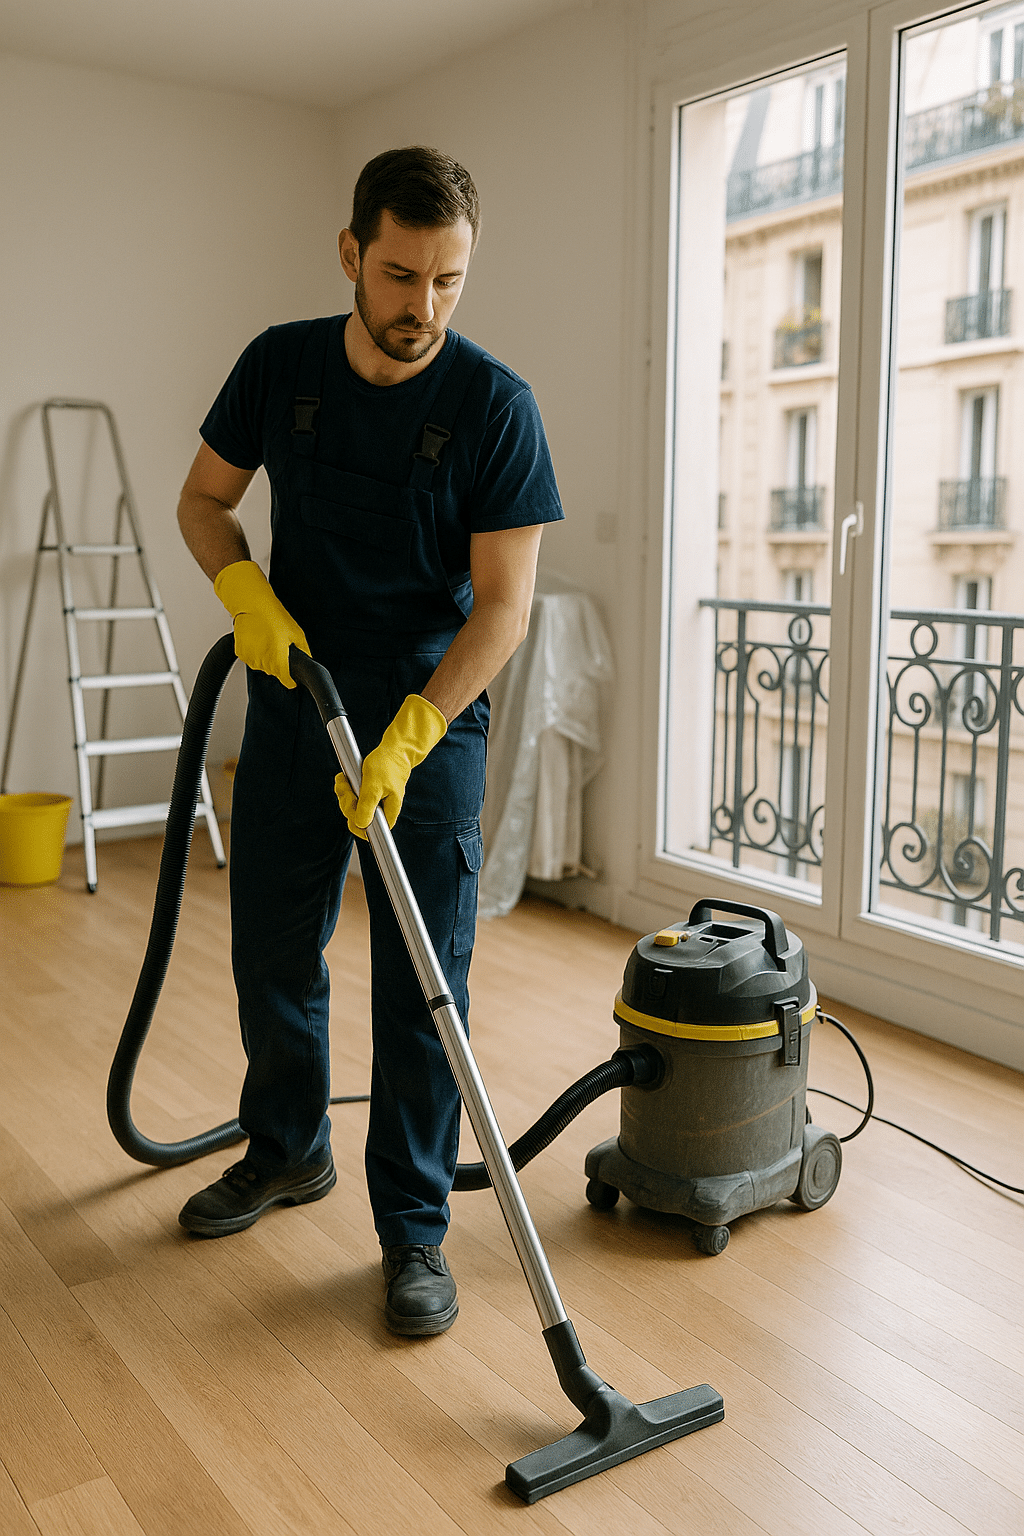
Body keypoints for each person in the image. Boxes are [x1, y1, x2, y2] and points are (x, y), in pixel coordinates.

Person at [175, 146, 563, 1336]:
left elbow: (504, 607)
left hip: (423, 718)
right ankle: (287, 1147)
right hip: (297, 692)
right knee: (272, 950)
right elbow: (204, 500)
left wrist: (413, 735)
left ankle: (412, 1229)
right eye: (400, 276)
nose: (422, 307)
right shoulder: (279, 365)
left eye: (448, 281)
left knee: (421, 986)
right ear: (351, 252)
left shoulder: (495, 406)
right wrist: (244, 592)